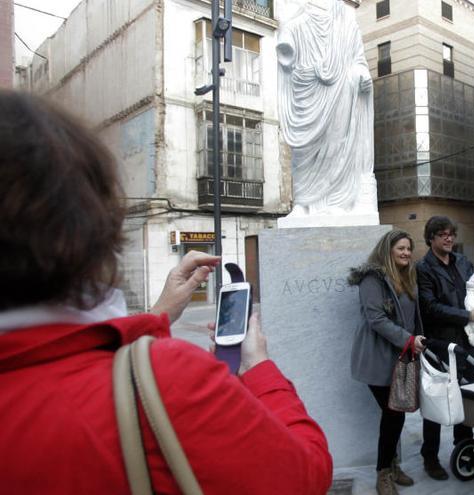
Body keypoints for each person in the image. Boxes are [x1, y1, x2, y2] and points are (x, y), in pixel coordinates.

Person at [0, 91, 332, 494]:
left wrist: (159, 314)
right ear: (83, 221)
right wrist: (259, 368)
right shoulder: (172, 379)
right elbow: (303, 478)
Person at [276, 0, 375, 216]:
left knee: (337, 146)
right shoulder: (296, 24)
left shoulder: (348, 27)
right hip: (306, 93)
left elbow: (358, 60)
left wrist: (361, 74)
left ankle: (337, 202)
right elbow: (286, 59)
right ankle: (302, 203)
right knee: (302, 152)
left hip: (341, 92)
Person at [416, 216, 474, 480]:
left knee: (468, 399)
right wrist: (467, 315)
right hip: (441, 345)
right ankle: (430, 457)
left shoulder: (463, 261)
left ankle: (464, 449)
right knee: (438, 401)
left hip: (468, 344)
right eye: (442, 234)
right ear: (431, 238)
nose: (448, 238)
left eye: (451, 233)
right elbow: (430, 307)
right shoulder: (423, 268)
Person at [348, 229, 427, 495]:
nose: (406, 253)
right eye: (400, 248)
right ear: (387, 250)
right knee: (393, 413)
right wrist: (408, 339)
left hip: (403, 355)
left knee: (397, 413)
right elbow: (376, 319)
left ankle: (391, 465)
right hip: (377, 356)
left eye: (408, 248)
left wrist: (417, 340)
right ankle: (383, 472)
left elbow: (413, 315)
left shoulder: (407, 276)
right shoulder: (373, 278)